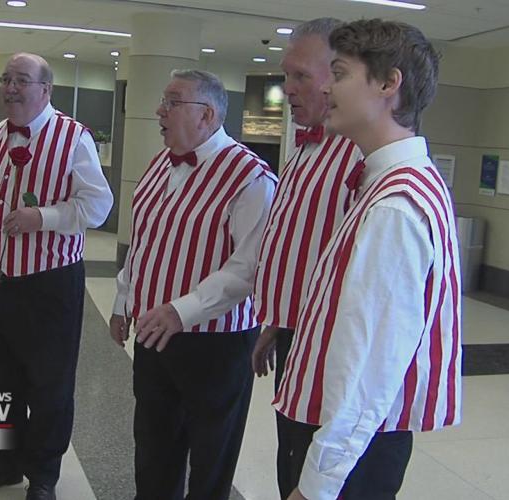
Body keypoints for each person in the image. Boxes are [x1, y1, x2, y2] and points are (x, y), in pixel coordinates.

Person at [274, 20, 462, 500]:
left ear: (388, 84)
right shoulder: (390, 182)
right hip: (349, 440)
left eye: (339, 73)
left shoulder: (396, 204)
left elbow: (371, 366)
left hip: (354, 450)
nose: (327, 88)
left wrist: (317, 482)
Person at [110, 69, 276, 500]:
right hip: (153, 335)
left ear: (206, 115)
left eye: (171, 101)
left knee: (211, 453)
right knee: (153, 441)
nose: (158, 110)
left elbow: (248, 266)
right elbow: (143, 241)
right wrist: (122, 300)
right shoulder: (158, 164)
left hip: (215, 343)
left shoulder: (250, 177)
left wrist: (181, 310)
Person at [0, 53, 113, 500]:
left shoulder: (73, 138)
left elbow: (98, 208)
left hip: (49, 284)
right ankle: (1, 464)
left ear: (46, 90)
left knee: (49, 385)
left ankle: (44, 475)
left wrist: (41, 217)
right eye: (6, 79)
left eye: (22, 80)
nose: (11, 87)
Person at [250, 17, 363, 499]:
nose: (287, 88)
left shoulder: (361, 156)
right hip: (297, 335)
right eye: (285, 75)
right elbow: (298, 242)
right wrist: (277, 318)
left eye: (300, 76)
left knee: (317, 475)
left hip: (335, 350)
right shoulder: (305, 147)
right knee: (290, 462)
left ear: (338, 75)